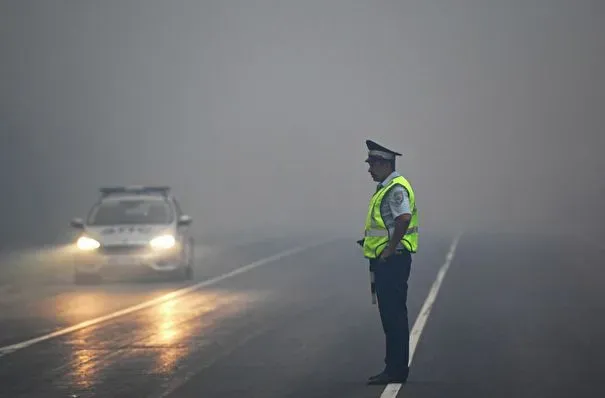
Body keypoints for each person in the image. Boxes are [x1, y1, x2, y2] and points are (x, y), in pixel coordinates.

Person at [361, 139, 419, 385]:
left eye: (373, 163)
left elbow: (404, 218)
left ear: (385, 163)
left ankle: (395, 370)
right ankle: (394, 367)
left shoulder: (395, 188)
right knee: (391, 316)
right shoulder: (386, 187)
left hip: (393, 261)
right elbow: (387, 225)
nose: (369, 169)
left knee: (393, 317)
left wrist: (389, 249)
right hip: (387, 260)